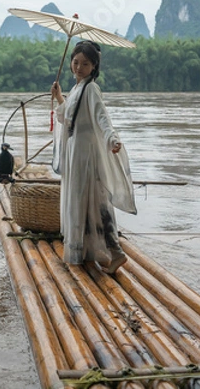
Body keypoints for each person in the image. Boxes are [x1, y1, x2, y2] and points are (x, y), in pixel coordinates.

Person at [51, 40, 137, 273]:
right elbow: (69, 119)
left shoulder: (91, 89)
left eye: (85, 64)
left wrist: (112, 139)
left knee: (96, 202)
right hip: (75, 153)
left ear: (94, 66)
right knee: (80, 202)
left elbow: (102, 118)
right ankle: (88, 251)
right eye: (76, 62)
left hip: (87, 155)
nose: (78, 67)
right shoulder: (77, 88)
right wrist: (60, 98)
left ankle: (116, 253)